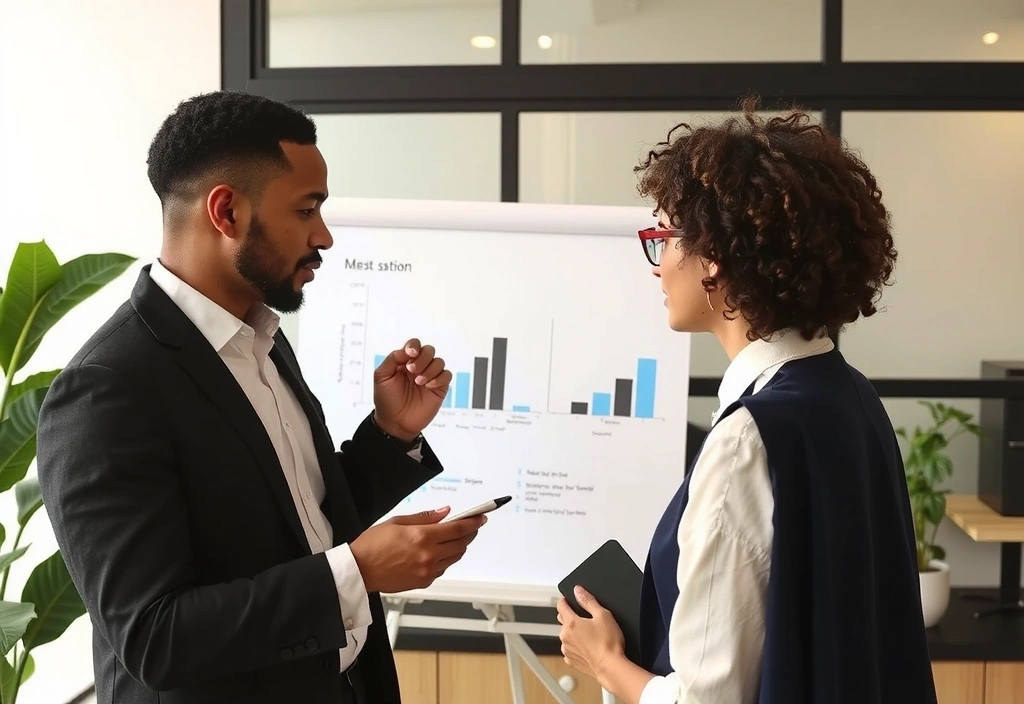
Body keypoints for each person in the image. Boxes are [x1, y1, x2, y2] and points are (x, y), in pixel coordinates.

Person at [35, 90, 486, 704]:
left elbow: (298, 520)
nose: (324, 236)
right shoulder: (105, 389)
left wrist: (390, 435)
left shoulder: (264, 341)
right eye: (307, 210)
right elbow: (152, 637)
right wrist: (357, 573)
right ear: (226, 212)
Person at [556, 99, 938, 704]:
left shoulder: (748, 438)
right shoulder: (851, 396)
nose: (657, 269)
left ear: (714, 255)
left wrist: (605, 663)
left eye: (662, 237)